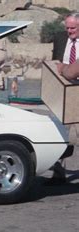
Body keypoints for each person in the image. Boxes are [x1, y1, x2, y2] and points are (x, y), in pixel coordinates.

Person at [50, 13, 79, 185]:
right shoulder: (60, 38)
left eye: (73, 28)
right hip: (63, 91)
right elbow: (55, 62)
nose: (69, 31)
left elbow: (70, 70)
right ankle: (58, 172)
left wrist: (64, 69)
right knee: (60, 132)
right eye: (67, 28)